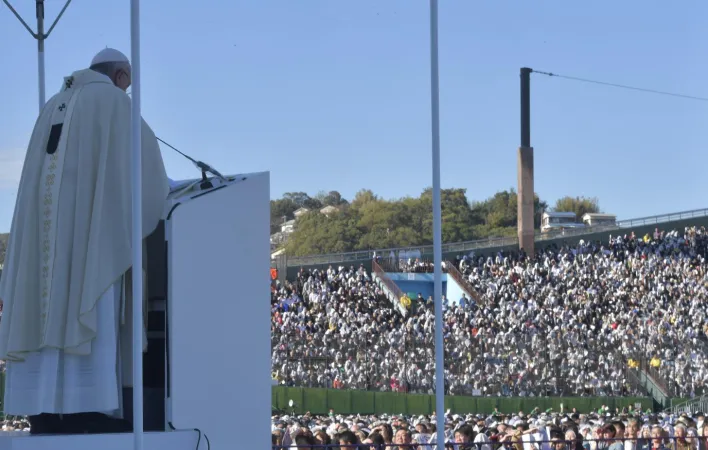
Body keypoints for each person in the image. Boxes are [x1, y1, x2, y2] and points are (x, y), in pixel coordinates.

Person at [0, 48, 169, 434]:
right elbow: (150, 179)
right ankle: (86, 408)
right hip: (90, 238)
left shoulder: (52, 106)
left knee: (41, 318)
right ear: (122, 75)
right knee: (87, 305)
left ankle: (41, 410)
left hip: (43, 244)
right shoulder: (113, 102)